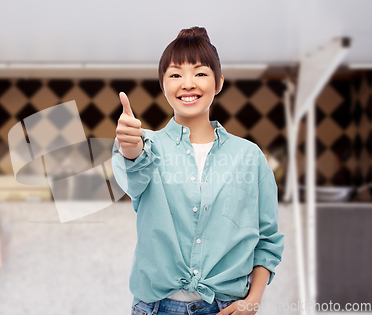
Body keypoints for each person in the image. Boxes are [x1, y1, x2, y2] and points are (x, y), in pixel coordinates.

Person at [111, 26, 285, 315]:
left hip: (225, 308)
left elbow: (267, 238)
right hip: (153, 309)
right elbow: (132, 176)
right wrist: (130, 148)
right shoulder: (148, 145)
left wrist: (253, 300)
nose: (188, 83)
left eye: (200, 73)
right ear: (163, 85)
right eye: (176, 74)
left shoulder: (249, 156)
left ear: (218, 83)